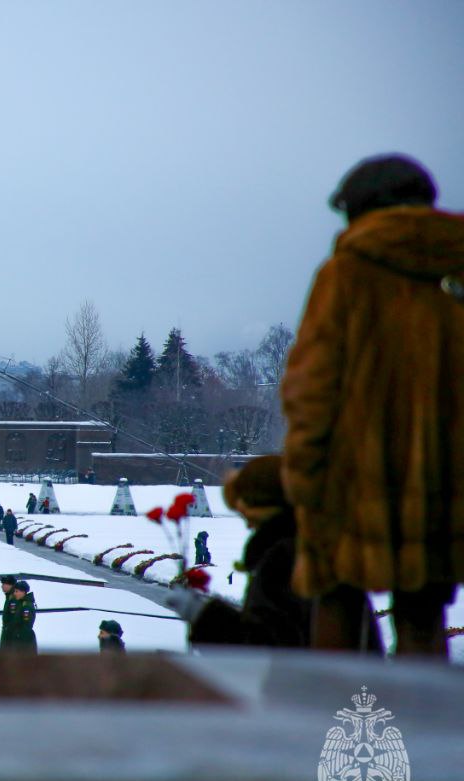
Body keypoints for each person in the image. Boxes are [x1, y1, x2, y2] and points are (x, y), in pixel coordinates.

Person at [281, 153, 464, 657]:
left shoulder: (348, 273)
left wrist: (304, 475)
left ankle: (345, 708)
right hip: (445, 481)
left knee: (338, 608)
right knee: (424, 620)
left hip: (354, 480)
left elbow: (312, 388)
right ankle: (424, 708)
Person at [169, 456, 333, 650]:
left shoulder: (283, 560)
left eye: (248, 516)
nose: (248, 526)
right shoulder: (313, 549)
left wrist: (203, 616)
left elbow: (264, 647)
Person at [6, 581, 37, 653]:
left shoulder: (26, 606)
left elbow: (26, 625)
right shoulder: (21, 603)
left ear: (23, 592)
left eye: (16, 591)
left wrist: (18, 636)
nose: (14, 593)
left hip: (23, 642)